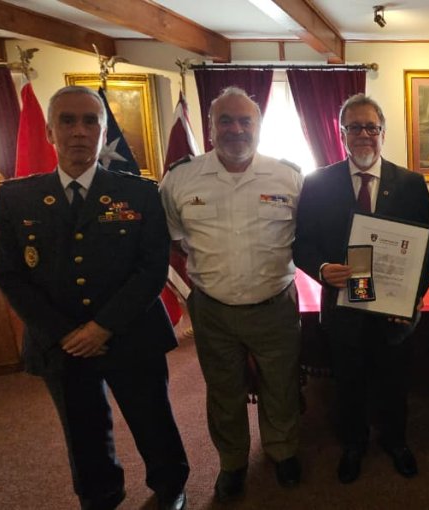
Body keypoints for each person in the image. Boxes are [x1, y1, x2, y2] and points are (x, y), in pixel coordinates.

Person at [0, 85, 189, 510]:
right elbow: (9, 271)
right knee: (82, 428)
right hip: (60, 341)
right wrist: (65, 332)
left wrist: (103, 326)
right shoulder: (16, 196)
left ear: (102, 132)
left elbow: (151, 267)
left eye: (90, 121)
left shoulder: (138, 193)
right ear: (48, 132)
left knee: (153, 418)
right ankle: (100, 494)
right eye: (67, 120)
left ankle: (170, 486)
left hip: (131, 331)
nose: (79, 131)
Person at [159, 86, 303, 501]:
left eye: (246, 121)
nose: (236, 129)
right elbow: (168, 242)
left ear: (259, 126)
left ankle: (283, 451)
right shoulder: (181, 178)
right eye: (226, 120)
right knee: (223, 390)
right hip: (213, 308)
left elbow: (306, 237)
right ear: (210, 126)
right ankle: (233, 462)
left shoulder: (287, 175)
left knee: (282, 385)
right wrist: (189, 295)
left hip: (275, 303)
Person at [293, 94, 429, 484]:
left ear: (383, 132)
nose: (364, 134)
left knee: (395, 380)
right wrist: (322, 269)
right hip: (343, 307)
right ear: (341, 134)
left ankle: (396, 441)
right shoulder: (318, 183)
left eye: (371, 127)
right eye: (355, 127)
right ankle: (353, 444)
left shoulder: (411, 183)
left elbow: (428, 246)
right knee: (348, 382)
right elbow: (301, 243)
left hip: (393, 309)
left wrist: (411, 297)